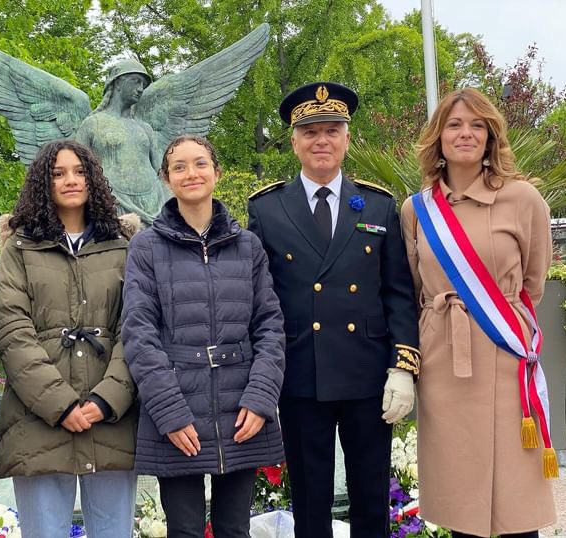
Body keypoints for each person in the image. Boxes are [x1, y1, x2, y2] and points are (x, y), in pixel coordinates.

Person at [247, 82, 421, 537]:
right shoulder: (267, 209)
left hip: (366, 375)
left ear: (347, 137)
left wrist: (403, 366)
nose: (321, 140)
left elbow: (398, 292)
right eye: (310, 132)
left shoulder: (380, 204)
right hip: (302, 373)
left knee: (368, 499)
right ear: (294, 141)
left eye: (331, 130)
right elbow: (257, 298)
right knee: (310, 499)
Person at [400, 87, 557, 538]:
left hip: (505, 352)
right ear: (438, 137)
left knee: (515, 495)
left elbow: (532, 282)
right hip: (443, 357)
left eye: (477, 125)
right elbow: (414, 286)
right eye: (454, 124)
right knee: (460, 491)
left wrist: (496, 316)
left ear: (491, 136)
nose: (465, 133)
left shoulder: (524, 199)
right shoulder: (416, 209)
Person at [122, 135, 285, 538]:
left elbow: (269, 324)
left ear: (217, 171)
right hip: (177, 412)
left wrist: (261, 397)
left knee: (235, 529)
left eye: (200, 163)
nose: (191, 173)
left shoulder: (248, 246)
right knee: (186, 530)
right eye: (179, 167)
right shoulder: (145, 248)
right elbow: (139, 334)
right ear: (166, 178)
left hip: (241, 411)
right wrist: (169, 412)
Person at [0, 140, 140, 538]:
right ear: (44, 183)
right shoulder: (19, 248)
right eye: (58, 173)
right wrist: (60, 404)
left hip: (111, 421)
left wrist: (106, 399)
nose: (70, 180)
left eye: (79, 171)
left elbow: (137, 327)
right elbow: (11, 330)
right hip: (37, 423)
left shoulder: (124, 246)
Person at [75, 59, 170, 223]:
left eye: (143, 84)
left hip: (154, 205)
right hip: (112, 203)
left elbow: (160, 171)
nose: (140, 89)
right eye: (136, 81)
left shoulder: (145, 128)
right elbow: (77, 169)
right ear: (118, 83)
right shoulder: (92, 124)